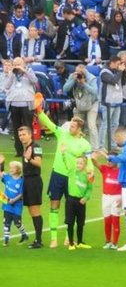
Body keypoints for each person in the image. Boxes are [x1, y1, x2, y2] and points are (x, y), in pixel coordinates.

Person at [36, 104, 93, 248]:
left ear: (79, 129)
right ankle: (54, 238)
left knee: (71, 207)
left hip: (73, 178)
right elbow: (48, 123)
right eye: (70, 125)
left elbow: (89, 161)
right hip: (57, 174)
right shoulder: (62, 133)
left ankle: (69, 237)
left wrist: (90, 172)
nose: (70, 128)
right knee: (54, 204)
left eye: (73, 126)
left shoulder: (85, 144)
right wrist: (39, 111)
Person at [60, 146, 93, 251]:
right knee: (70, 222)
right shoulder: (72, 171)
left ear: (85, 164)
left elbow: (89, 189)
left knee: (80, 222)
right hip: (71, 200)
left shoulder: (88, 175)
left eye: (80, 163)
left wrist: (86, 197)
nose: (78, 165)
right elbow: (66, 161)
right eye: (77, 163)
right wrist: (64, 153)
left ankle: (80, 242)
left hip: (81, 201)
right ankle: (70, 243)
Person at [17, 126, 44, 249]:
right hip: (27, 181)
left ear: (30, 135)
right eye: (20, 135)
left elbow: (39, 163)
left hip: (33, 181)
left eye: (23, 134)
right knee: (31, 210)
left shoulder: (36, 146)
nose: (21, 137)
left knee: (35, 210)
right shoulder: (26, 147)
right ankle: (37, 239)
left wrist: (29, 158)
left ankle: (39, 240)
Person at [5, 58, 37, 157]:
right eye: (15, 64)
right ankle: (19, 151)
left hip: (26, 104)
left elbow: (34, 81)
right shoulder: (12, 73)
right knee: (16, 128)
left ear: (23, 63)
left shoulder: (29, 71)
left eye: (18, 64)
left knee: (28, 128)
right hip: (14, 103)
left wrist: (24, 71)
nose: (17, 66)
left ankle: (30, 150)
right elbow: (6, 86)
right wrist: (11, 74)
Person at [62, 65, 99, 150]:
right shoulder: (73, 76)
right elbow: (65, 89)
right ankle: (74, 145)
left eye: (81, 73)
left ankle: (95, 148)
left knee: (91, 125)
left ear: (85, 72)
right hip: (79, 104)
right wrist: (72, 80)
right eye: (78, 72)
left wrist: (84, 83)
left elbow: (95, 92)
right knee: (74, 125)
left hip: (92, 104)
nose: (79, 74)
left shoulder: (92, 78)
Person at [90, 150, 121, 250]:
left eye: (111, 160)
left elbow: (124, 186)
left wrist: (122, 199)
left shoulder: (121, 171)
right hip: (105, 198)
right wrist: (98, 154)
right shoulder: (105, 169)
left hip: (117, 198)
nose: (109, 162)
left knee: (115, 220)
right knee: (107, 220)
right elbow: (94, 161)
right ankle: (107, 241)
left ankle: (115, 243)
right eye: (108, 160)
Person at [99, 56, 124, 149]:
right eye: (118, 64)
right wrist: (120, 71)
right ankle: (100, 146)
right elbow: (113, 81)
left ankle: (113, 144)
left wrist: (125, 71)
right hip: (107, 103)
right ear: (112, 62)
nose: (119, 66)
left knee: (115, 124)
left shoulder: (116, 71)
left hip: (117, 101)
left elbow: (123, 82)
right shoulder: (104, 72)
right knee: (105, 124)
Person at [1, 159, 26, 246]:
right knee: (6, 222)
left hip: (17, 206)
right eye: (10, 168)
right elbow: (1, 174)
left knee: (17, 222)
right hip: (7, 205)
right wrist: (1, 163)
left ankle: (24, 235)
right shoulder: (7, 177)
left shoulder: (21, 181)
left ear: (18, 170)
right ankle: (6, 240)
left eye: (12, 168)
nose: (10, 169)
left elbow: (21, 194)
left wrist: (13, 200)